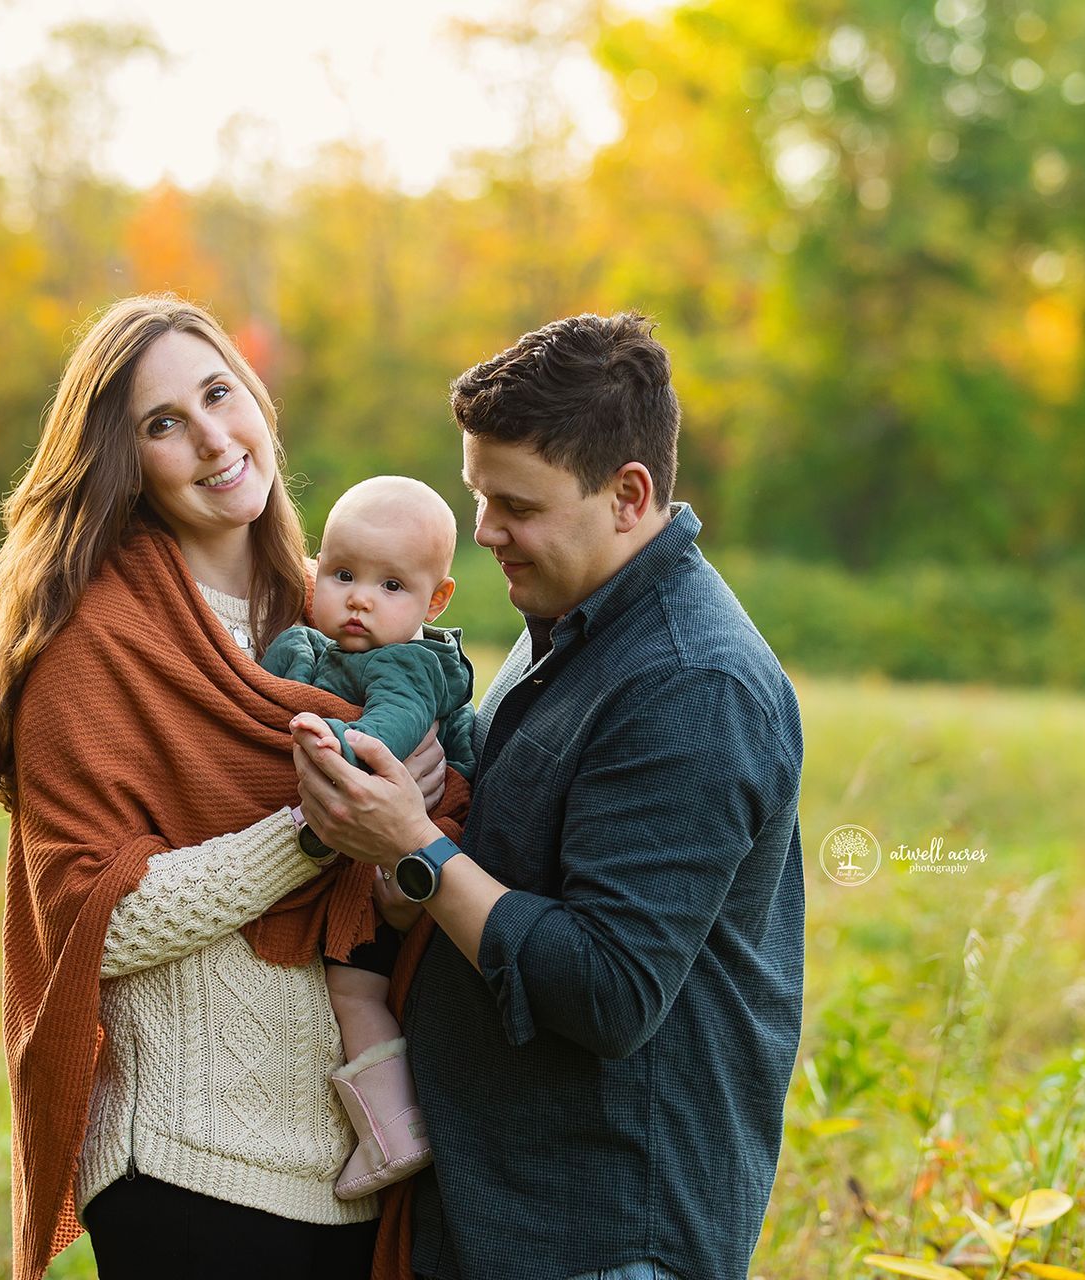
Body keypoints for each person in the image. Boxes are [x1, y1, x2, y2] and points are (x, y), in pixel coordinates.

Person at [0, 294, 465, 1280]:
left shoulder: (350, 613)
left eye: (220, 394)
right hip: (188, 1167)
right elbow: (93, 919)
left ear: (259, 401)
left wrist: (406, 844)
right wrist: (316, 830)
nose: (213, 438)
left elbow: (384, 898)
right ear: (123, 463)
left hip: (353, 1166)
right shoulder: (95, 645)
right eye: (163, 424)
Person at [291, 312, 807, 1280]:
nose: (485, 532)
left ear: (629, 494)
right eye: (478, 495)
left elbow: (609, 988)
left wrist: (416, 848)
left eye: (514, 504)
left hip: (601, 1232)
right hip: (501, 1208)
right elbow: (511, 878)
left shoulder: (691, 683)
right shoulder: (563, 623)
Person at [264, 474, 477, 1199]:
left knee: (356, 991)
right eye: (343, 574)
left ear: (434, 600)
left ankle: (393, 1128)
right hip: (355, 851)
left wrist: (334, 742)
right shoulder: (321, 641)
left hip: (388, 864)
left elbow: (383, 739)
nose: (359, 599)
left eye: (390, 586)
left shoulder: (408, 665)